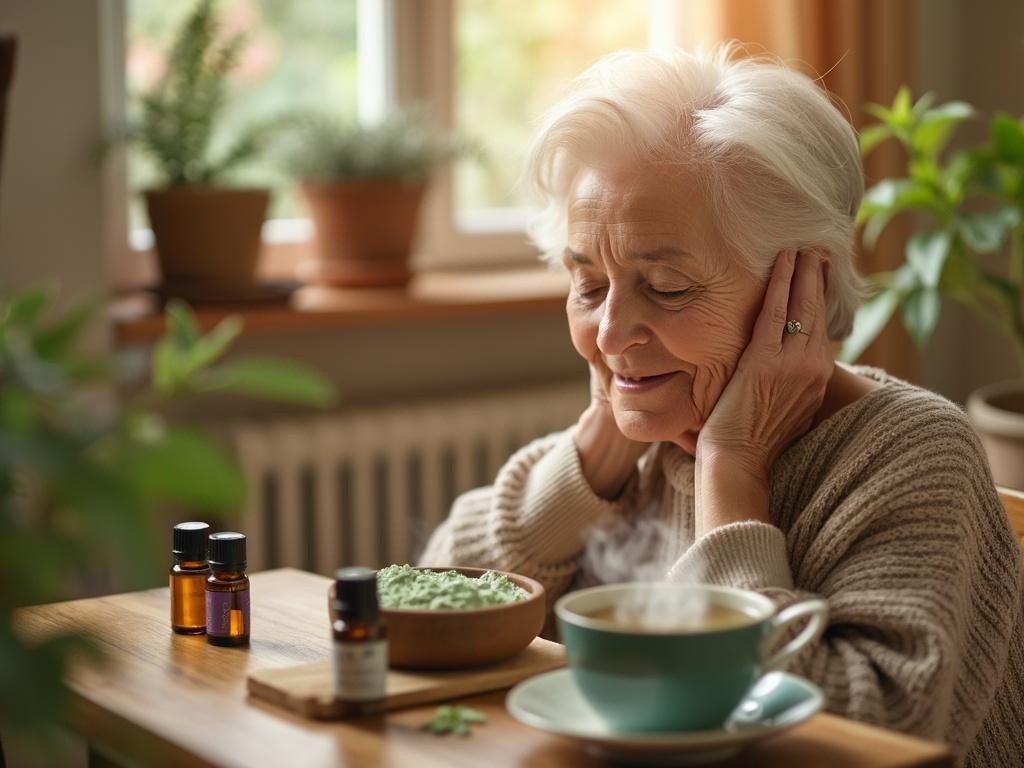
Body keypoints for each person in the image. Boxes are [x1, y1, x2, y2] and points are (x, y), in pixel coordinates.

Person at [420, 45, 1023, 765]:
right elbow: (432, 605)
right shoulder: (639, 445)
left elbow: (859, 738)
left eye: (667, 287)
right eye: (588, 285)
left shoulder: (911, 452)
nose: (610, 333)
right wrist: (597, 451)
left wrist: (732, 474)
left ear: (798, 290)